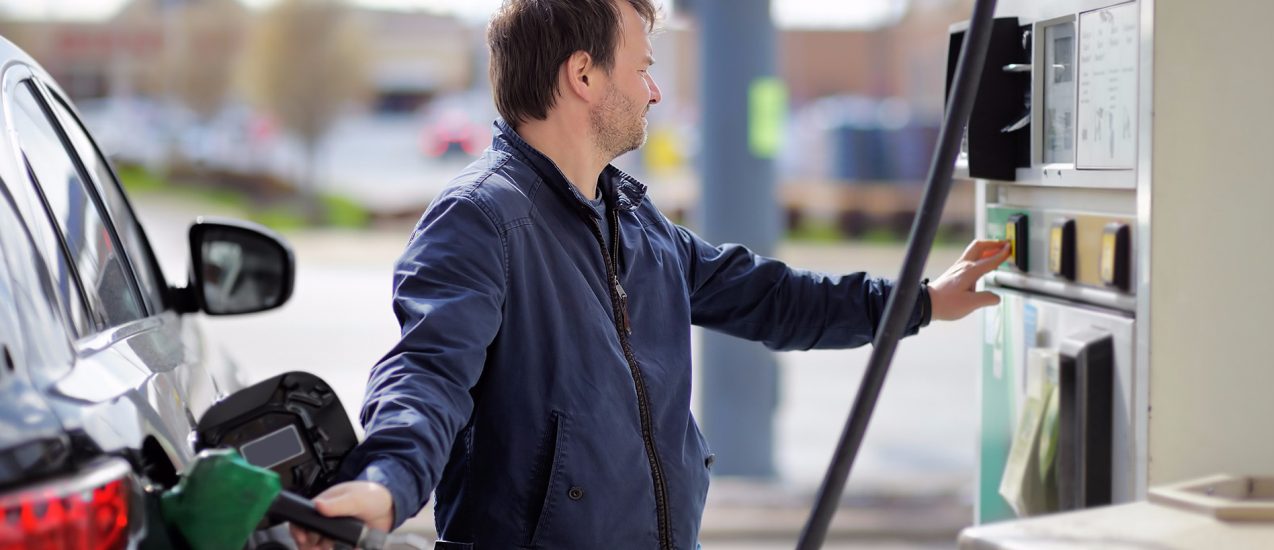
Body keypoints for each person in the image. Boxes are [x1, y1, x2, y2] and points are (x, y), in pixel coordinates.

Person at [292, 0, 1010, 548]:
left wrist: (921, 303)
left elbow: (773, 299)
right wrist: (384, 480)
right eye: (642, 69)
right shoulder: (481, 219)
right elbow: (426, 372)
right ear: (582, 75)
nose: (654, 93)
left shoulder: (634, 222)